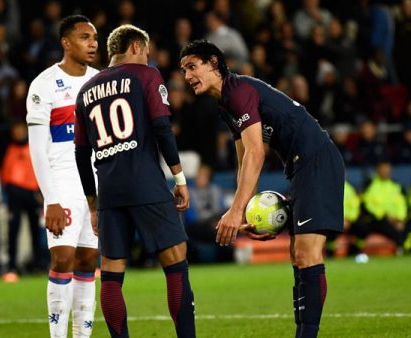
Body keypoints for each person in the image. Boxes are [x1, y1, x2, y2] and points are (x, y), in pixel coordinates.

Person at [180, 40, 345, 338]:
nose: (187, 76)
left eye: (192, 66)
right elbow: (244, 158)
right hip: (299, 165)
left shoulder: (239, 91)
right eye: (183, 70)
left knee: (308, 254)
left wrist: (235, 210)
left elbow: (257, 152)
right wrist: (252, 211)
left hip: (316, 160)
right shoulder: (225, 104)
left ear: (214, 63)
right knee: (297, 255)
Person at [75, 24, 195, 338]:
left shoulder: (86, 91)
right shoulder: (146, 75)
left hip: (109, 192)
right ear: (134, 47)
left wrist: (92, 202)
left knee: (112, 277)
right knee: (176, 262)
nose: (147, 57)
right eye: (146, 51)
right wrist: (179, 177)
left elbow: (80, 153)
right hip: (145, 183)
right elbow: (162, 128)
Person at [26, 15, 99, 338]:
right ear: (66, 43)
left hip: (96, 182)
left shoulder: (101, 81)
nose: (93, 43)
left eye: (95, 37)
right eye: (85, 37)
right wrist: (51, 198)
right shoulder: (43, 84)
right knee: (63, 257)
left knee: (88, 259)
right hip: (64, 180)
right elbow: (38, 149)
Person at [0, 120, 43, 278]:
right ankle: (12, 264)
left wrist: (40, 190)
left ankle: (37, 263)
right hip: (14, 194)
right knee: (13, 230)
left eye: (20, 129)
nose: (17, 132)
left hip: (32, 193)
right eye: (15, 129)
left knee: (35, 230)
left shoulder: (34, 145)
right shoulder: (7, 147)